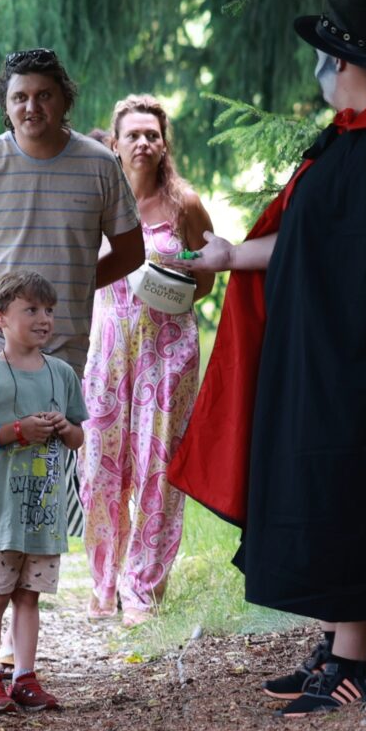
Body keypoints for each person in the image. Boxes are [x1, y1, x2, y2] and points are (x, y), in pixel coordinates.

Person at [173, 0, 366, 715]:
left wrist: (340, 343)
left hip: (365, 371)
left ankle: (351, 664)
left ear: (343, 61)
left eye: (325, 55)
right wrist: (232, 255)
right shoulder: (356, 138)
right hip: (329, 363)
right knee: (326, 491)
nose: (319, 68)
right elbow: (309, 242)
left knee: (353, 493)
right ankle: (337, 643)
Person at [0, 48, 144, 667]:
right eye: (19, 97)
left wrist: (71, 289)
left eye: (43, 95)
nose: (31, 107)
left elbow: (131, 251)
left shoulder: (98, 165)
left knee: (35, 473)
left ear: (65, 99)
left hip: (59, 342)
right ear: (6, 104)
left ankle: (20, 617)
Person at [81, 95, 216, 622]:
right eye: (132, 134)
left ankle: (142, 587)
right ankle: (104, 582)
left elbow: (207, 276)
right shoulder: (96, 201)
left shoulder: (184, 204)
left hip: (168, 352)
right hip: (107, 351)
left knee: (157, 467)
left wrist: (167, 297)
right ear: (114, 143)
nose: (142, 142)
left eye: (152, 135)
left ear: (164, 145)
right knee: (100, 467)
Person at [0, 271, 87, 713]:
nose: (43, 318)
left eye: (48, 310)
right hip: (0, 513)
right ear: (1, 318)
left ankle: (25, 677)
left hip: (43, 513)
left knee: (29, 598)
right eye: (31, 309)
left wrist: (65, 428)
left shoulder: (62, 374)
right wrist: (15, 431)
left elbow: (78, 437)